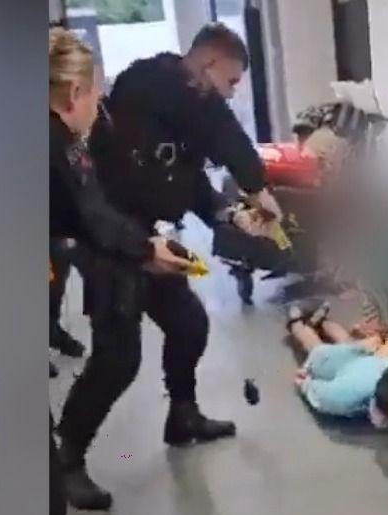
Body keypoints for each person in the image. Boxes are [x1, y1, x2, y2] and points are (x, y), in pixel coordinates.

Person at [86, 22, 284, 449]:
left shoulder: (179, 115)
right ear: (208, 62)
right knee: (117, 360)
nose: (231, 93)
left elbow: (186, 178)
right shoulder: (150, 79)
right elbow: (222, 129)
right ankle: (67, 452)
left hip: (145, 235)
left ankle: (183, 416)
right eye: (230, 81)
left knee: (188, 324)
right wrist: (258, 186)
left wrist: (224, 212)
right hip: (106, 236)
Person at [48, 28, 193, 511]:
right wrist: (144, 248)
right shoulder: (54, 143)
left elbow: (97, 212)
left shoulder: (69, 139)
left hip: (112, 243)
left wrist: (147, 243)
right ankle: (64, 458)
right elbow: (91, 216)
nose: (100, 101)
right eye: (94, 91)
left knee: (169, 332)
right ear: (74, 93)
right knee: (118, 356)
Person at [285, 304, 388, 433]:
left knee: (348, 341)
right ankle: (297, 323)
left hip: (377, 360)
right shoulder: (342, 395)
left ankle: (322, 321)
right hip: (348, 366)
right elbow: (312, 387)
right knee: (316, 347)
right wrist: (305, 382)